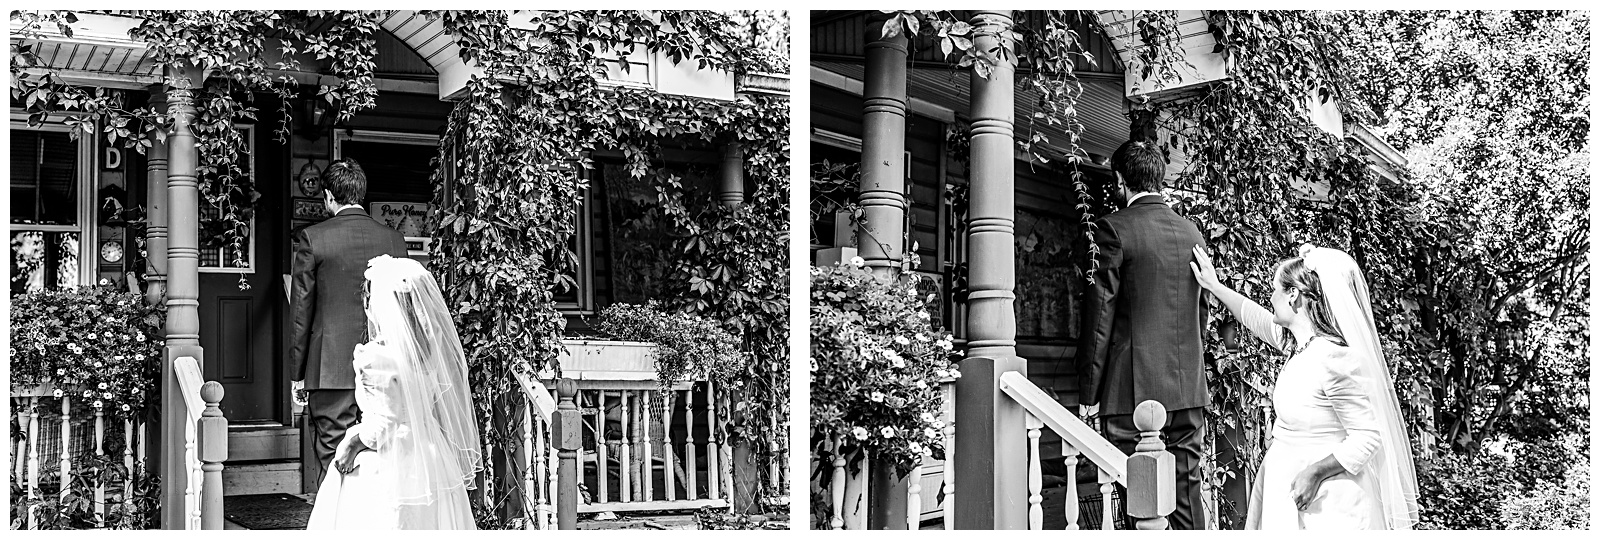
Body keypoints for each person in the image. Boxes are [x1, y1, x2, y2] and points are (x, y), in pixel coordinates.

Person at [1190, 243, 1420, 529]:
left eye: (1276, 290)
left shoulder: (1333, 358)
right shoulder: (1299, 346)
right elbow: (1254, 317)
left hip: (1327, 503)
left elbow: (1368, 435)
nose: (1271, 298)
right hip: (1289, 492)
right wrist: (1214, 286)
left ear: (1294, 295)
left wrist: (1315, 473)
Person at [1075, 139, 1209, 529]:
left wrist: (1089, 393)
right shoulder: (1192, 234)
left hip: (1129, 391)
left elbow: (1100, 317)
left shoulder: (1113, 230)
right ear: (1159, 178)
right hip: (1186, 388)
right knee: (1186, 492)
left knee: (1138, 497)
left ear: (1120, 180)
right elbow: (1200, 311)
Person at [307, 255, 482, 529]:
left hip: (389, 465)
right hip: (429, 458)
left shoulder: (374, 356)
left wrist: (351, 446)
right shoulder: (430, 353)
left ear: (373, 305)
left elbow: (383, 427)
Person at [289, 159, 410, 485]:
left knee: (333, 457)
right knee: (382, 458)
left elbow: (302, 310)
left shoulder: (314, 238)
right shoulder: (394, 241)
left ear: (329, 196)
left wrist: (297, 374)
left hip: (330, 371)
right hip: (385, 370)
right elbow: (404, 306)